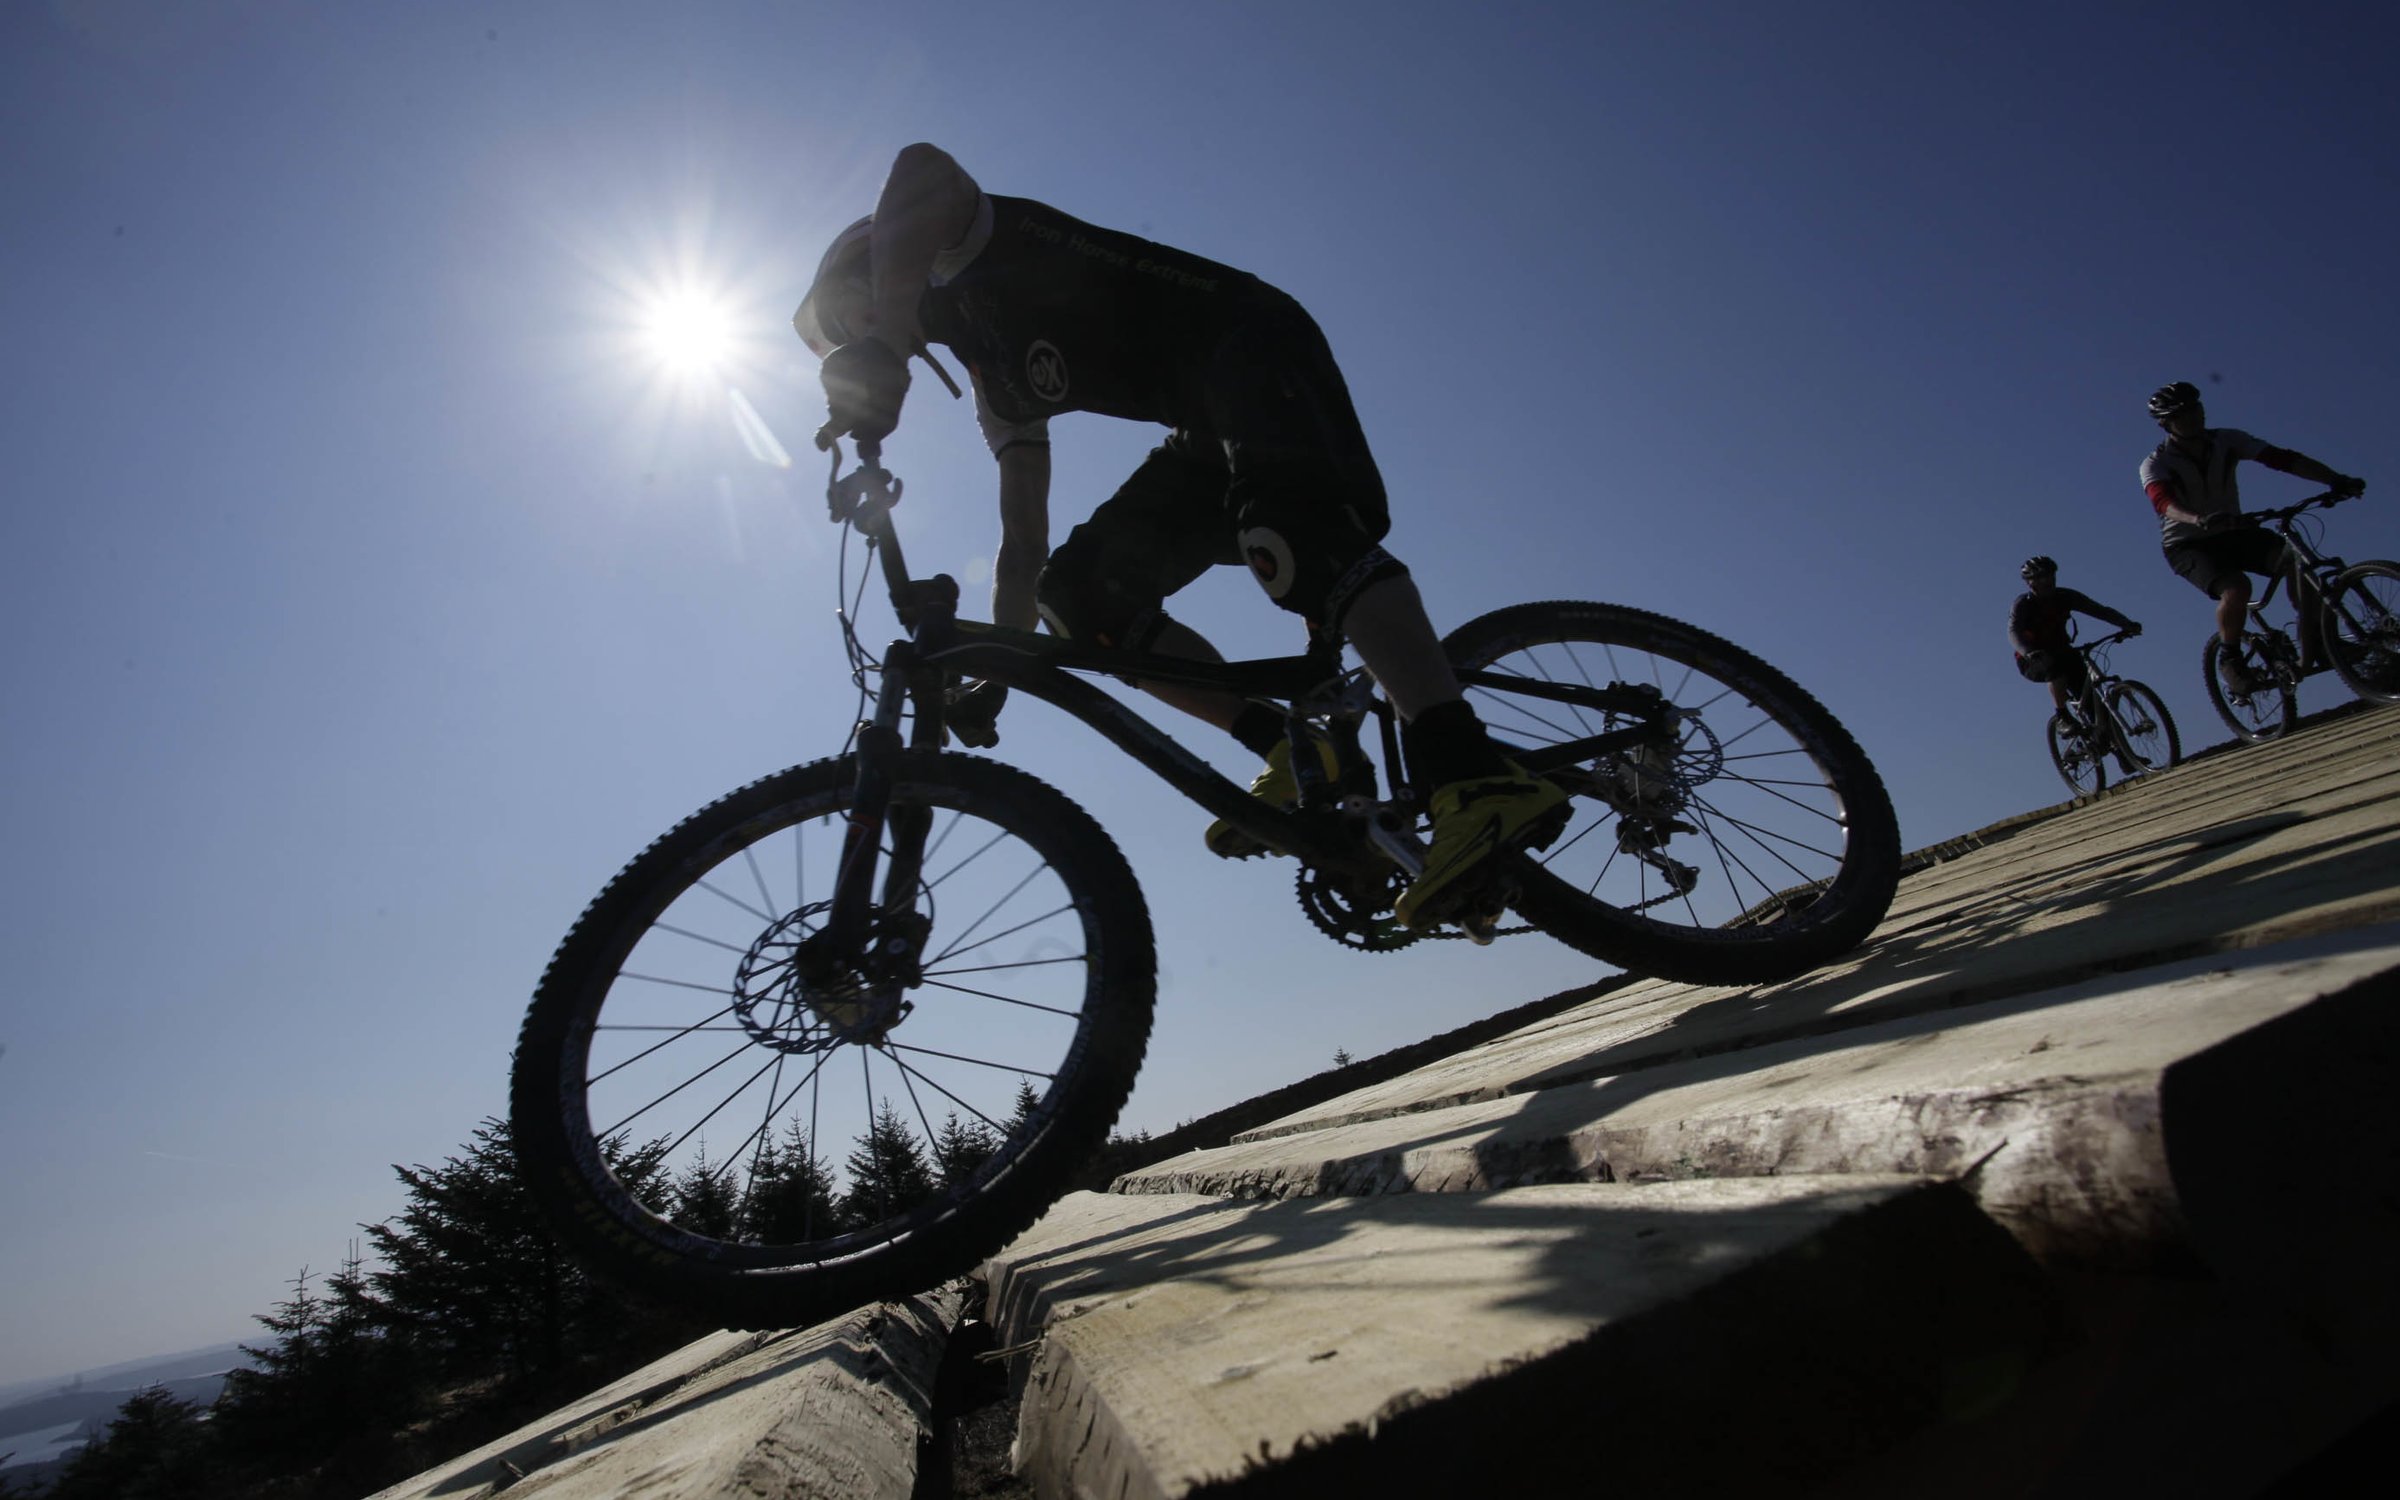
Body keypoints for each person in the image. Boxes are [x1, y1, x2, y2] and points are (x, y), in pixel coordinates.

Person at [792, 144, 1565, 930]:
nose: (856, 337)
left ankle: (1470, 767)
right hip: (1201, 428)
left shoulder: (961, 243)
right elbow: (1022, 545)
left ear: (872, 259)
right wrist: (999, 667)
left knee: (1290, 534)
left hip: (1251, 341)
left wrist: (884, 341)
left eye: (847, 318)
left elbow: (921, 167)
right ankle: (1290, 748)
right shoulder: (999, 391)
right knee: (1077, 593)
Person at [2140, 381, 2365, 696]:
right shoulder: (2156, 463)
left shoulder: (2228, 440)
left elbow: (2282, 459)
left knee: (2298, 566)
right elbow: (2163, 503)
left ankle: (2318, 638)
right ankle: (2231, 659)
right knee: (2236, 588)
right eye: (2182, 414)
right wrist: (2198, 518)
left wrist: (2335, 479)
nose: (2193, 417)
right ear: (2166, 424)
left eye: (2196, 409)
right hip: (2188, 543)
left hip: (2235, 530)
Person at [2009, 556, 2139, 725]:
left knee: (2093, 700)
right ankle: (2063, 717)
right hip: (2032, 658)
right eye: (2042, 578)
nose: (2048, 581)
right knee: (2054, 668)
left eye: (2051, 576)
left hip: (2063, 650)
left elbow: (2099, 610)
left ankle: (2109, 739)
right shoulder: (2023, 604)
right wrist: (2028, 651)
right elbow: (2013, 631)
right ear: (2030, 582)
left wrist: (2126, 624)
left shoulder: (2065, 596)